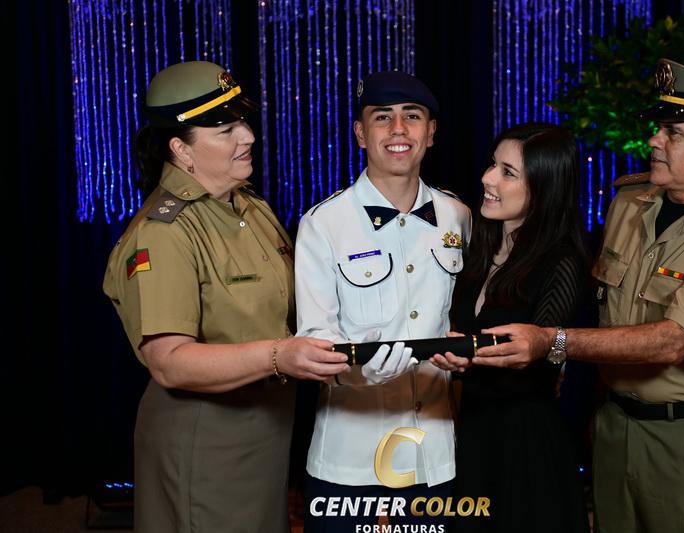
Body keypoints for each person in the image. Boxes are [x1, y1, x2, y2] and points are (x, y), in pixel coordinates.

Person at [472, 59, 684, 533]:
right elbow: (610, 314)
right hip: (614, 427)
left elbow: (673, 342)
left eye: (672, 133)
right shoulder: (629, 203)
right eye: (658, 128)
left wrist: (551, 342)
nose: (654, 140)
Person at [103, 60, 349, 533]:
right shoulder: (164, 233)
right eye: (225, 130)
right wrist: (280, 355)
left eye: (243, 123)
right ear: (181, 149)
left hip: (265, 436)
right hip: (206, 444)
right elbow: (169, 362)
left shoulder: (248, 206)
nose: (248, 137)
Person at [294, 71, 471, 531]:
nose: (398, 129)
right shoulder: (323, 224)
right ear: (360, 134)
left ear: (431, 133)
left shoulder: (458, 216)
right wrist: (360, 369)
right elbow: (315, 337)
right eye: (382, 117)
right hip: (351, 460)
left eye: (412, 117)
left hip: (434, 457)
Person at [429, 123, 591, 532]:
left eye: (508, 172)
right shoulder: (480, 245)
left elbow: (546, 358)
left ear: (543, 188)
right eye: (492, 165)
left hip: (525, 445)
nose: (488, 178)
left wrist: (470, 357)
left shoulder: (561, 262)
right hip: (472, 434)